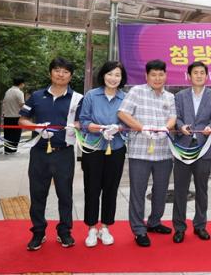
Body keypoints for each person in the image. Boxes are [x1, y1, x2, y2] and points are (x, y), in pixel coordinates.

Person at [19, 57, 83, 251]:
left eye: (65, 71)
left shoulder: (78, 99)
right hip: (39, 152)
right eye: (57, 70)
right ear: (50, 73)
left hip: (64, 152)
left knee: (65, 194)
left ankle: (64, 231)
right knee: (37, 193)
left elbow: (82, 122)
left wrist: (74, 126)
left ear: (70, 76)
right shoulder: (37, 96)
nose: (60, 74)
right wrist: (37, 127)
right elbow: (22, 120)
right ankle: (38, 232)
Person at [117, 59, 177, 247]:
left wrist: (166, 128)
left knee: (161, 190)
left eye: (161, 74)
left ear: (165, 76)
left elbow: (173, 117)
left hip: (164, 152)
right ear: (146, 76)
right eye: (153, 75)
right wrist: (142, 128)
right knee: (138, 191)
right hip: (140, 152)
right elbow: (122, 113)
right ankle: (138, 229)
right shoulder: (136, 91)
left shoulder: (170, 96)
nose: (157, 78)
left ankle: (154, 222)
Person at [78, 61, 128, 247]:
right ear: (103, 75)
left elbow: (129, 124)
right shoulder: (91, 95)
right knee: (91, 188)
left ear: (122, 78)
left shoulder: (125, 98)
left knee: (111, 188)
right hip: (93, 148)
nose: (113, 78)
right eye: (110, 74)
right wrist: (99, 129)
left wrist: (119, 128)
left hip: (116, 149)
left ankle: (105, 227)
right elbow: (83, 121)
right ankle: (92, 228)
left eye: (117, 75)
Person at [172, 61, 211, 243]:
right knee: (180, 189)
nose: (199, 75)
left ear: (206, 76)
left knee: (202, 189)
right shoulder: (180, 96)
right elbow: (176, 117)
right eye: (195, 72)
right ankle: (179, 227)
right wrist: (180, 126)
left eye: (202, 72)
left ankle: (200, 225)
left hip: (204, 149)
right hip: (183, 148)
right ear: (189, 76)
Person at [2, 76, 25, 154]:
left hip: (7, 116)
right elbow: (22, 104)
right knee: (15, 134)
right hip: (16, 116)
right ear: (21, 84)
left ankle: (7, 150)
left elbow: (4, 103)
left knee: (7, 134)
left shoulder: (8, 91)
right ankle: (13, 150)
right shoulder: (19, 92)